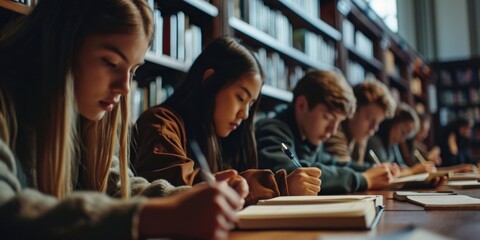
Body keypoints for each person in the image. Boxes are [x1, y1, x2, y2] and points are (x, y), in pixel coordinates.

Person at [0, 1, 246, 239]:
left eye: (133, 71)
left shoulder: (86, 113)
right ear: (61, 43)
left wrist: (190, 197)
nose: (125, 88)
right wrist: (156, 217)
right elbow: (7, 213)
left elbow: (118, 187)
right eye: (111, 63)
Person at [132, 36, 321, 206]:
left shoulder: (219, 135)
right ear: (209, 80)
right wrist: (279, 185)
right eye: (240, 98)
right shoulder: (161, 123)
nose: (245, 114)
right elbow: (180, 189)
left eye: (250, 104)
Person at [255, 70, 394, 194]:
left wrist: (373, 169)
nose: (333, 131)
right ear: (302, 105)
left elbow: (333, 163)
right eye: (327, 118)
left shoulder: (309, 136)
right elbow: (296, 175)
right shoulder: (272, 130)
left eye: (338, 122)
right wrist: (363, 179)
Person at [323, 80, 396, 165]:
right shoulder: (334, 129)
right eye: (369, 118)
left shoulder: (358, 137)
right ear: (353, 111)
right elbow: (344, 169)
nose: (374, 128)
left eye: (378, 122)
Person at [366, 103, 437, 177]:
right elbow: (384, 175)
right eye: (403, 132)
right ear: (393, 122)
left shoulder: (393, 146)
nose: (403, 140)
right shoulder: (375, 142)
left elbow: (402, 166)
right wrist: (413, 171)